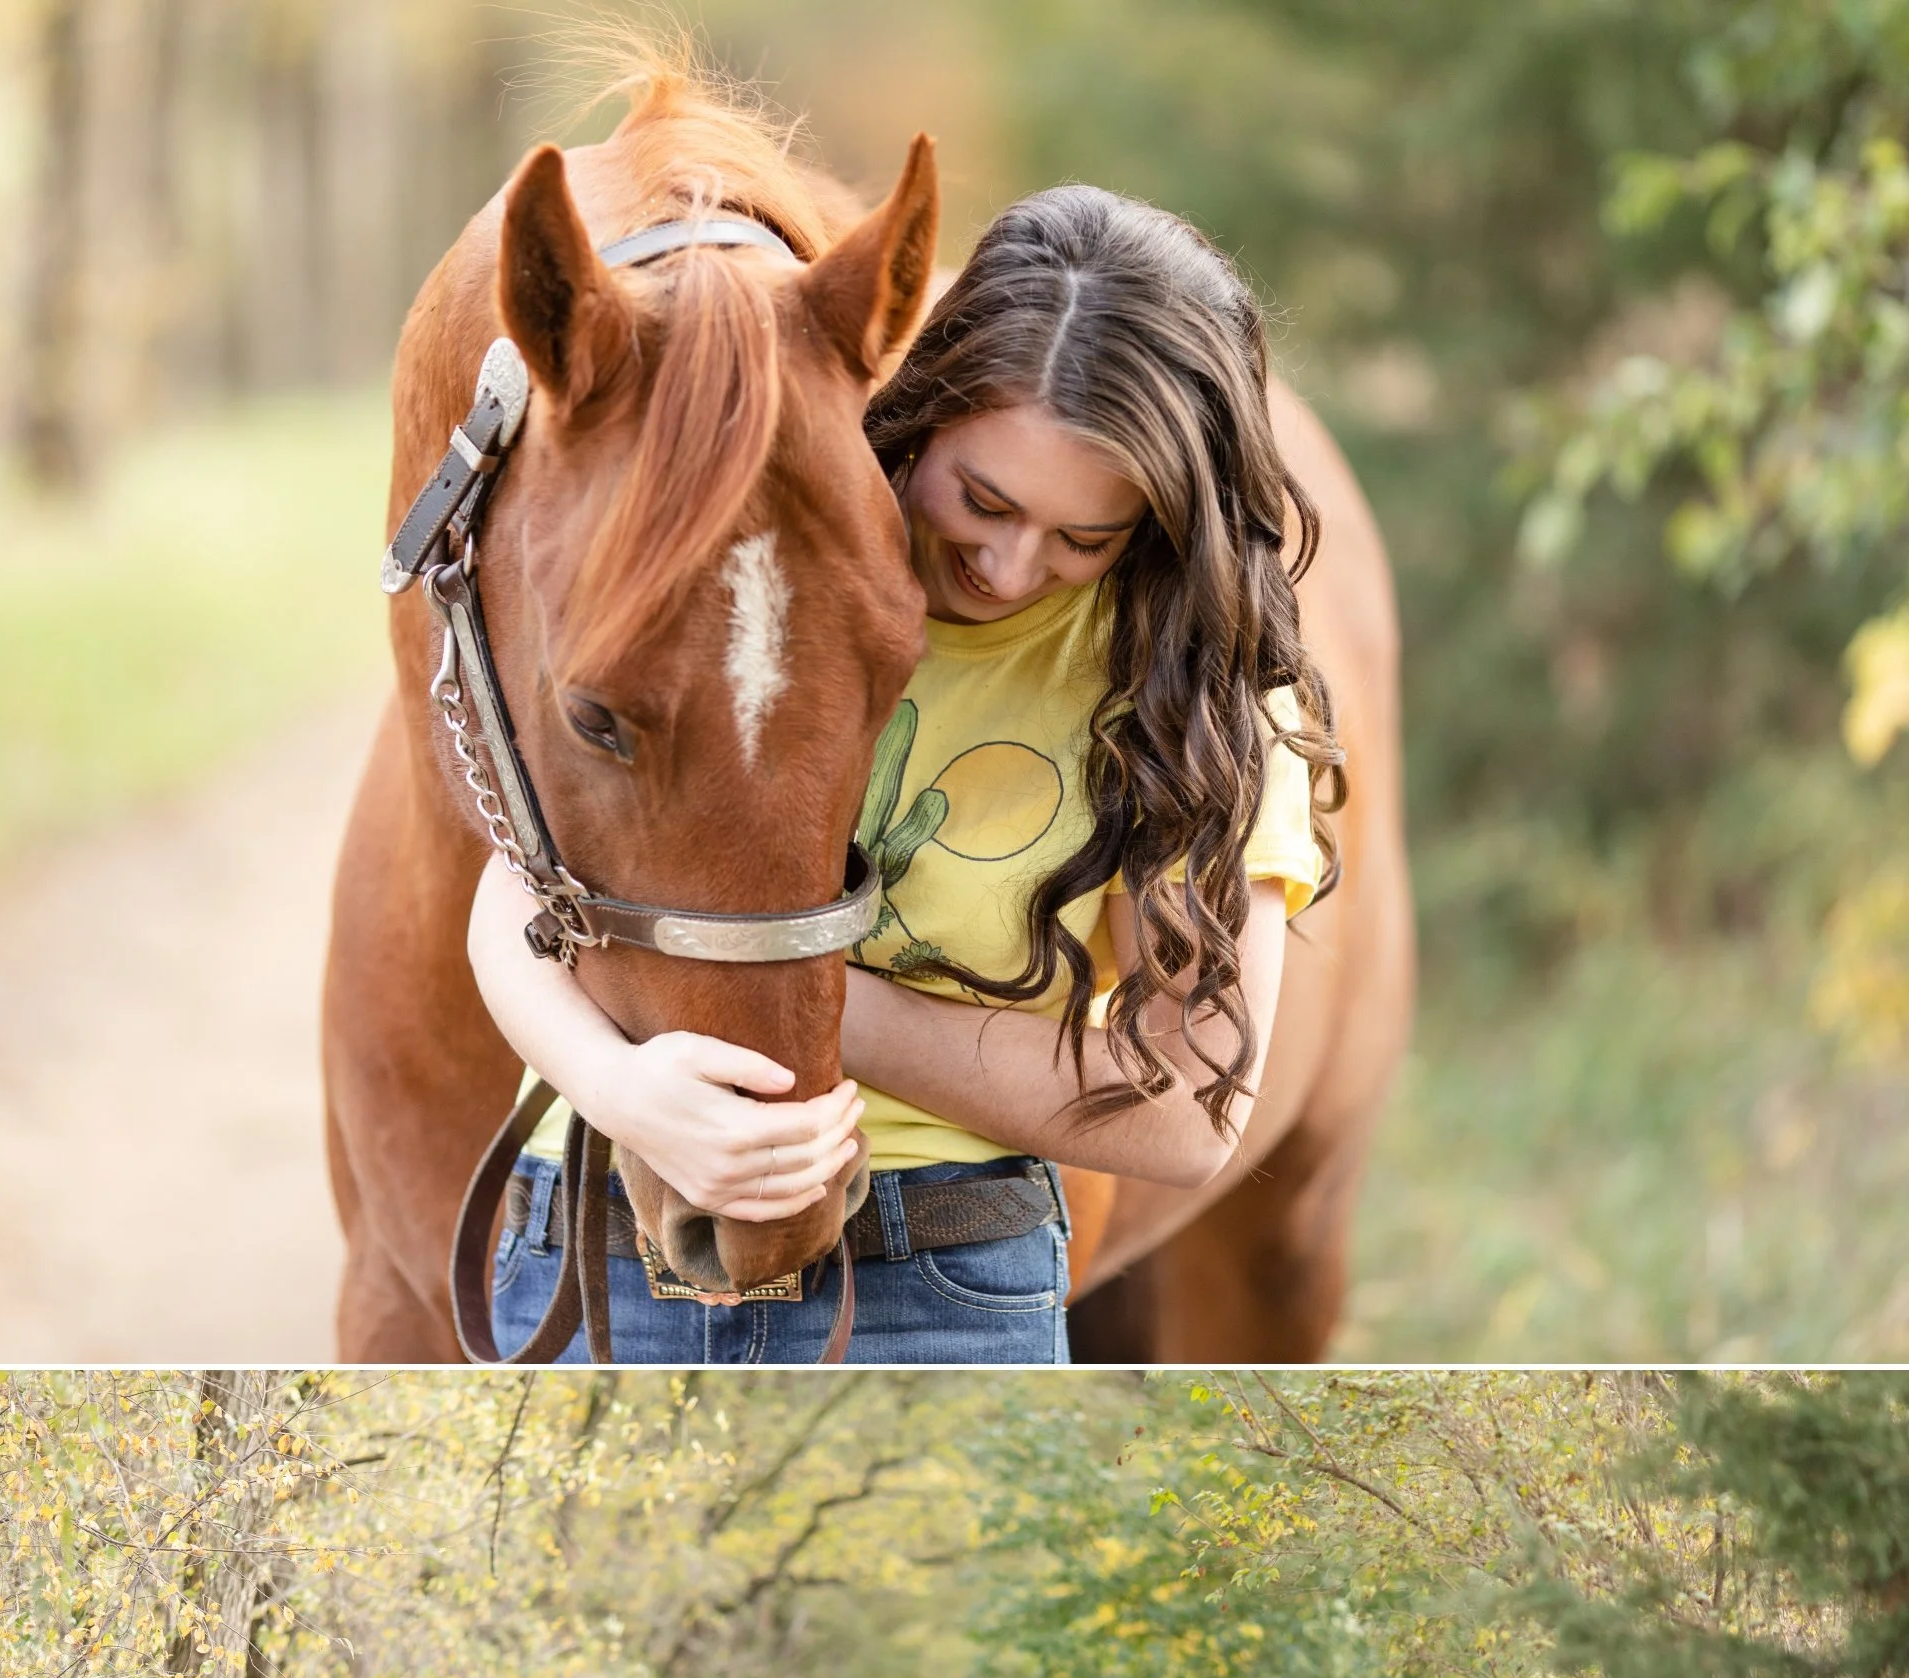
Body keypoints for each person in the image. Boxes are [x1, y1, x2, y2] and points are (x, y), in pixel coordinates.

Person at [473, 181, 1336, 1362]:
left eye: (1087, 538)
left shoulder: (1192, 692)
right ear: (925, 407)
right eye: (981, 500)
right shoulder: (767, 553)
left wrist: (811, 1005)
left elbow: (1192, 1112)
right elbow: (509, 894)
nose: (1008, 564)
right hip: (594, 1235)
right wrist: (618, 1093)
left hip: (939, 1276)